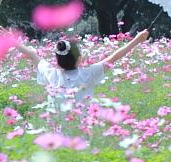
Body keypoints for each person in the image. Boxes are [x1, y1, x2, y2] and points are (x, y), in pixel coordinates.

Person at [15, 30, 149, 112]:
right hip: (82, 130)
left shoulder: (51, 74)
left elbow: (32, 54)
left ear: (57, 60)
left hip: (57, 132)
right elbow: (114, 57)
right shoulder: (88, 73)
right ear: (79, 59)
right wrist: (136, 40)